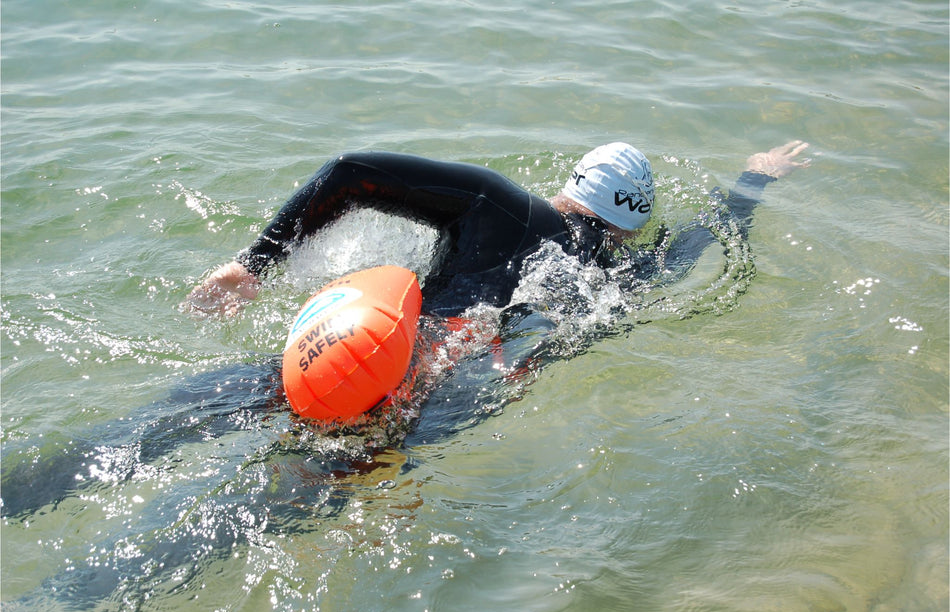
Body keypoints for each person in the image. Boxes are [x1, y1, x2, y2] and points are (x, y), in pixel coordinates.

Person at [185, 141, 810, 318]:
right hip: (454, 398)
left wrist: (255, 264)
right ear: (633, 221)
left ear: (574, 185)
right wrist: (756, 177)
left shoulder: (500, 205)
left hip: (381, 347)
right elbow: (710, 233)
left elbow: (352, 171)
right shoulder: (624, 272)